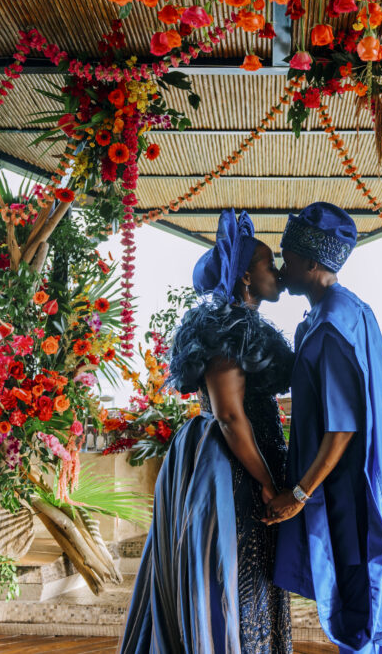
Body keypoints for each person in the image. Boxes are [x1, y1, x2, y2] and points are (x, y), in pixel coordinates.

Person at [264, 202, 382, 654]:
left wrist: (298, 495)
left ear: (311, 262)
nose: (282, 266)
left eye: (286, 255)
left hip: (352, 488)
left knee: (364, 600)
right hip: (366, 477)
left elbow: (341, 430)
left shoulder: (330, 328)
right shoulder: (344, 311)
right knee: (372, 601)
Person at [120, 209, 294, 654]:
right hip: (230, 471)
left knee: (252, 578)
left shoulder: (245, 326)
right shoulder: (224, 329)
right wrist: (270, 484)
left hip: (246, 466)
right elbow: (231, 417)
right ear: (244, 279)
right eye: (266, 264)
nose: (276, 271)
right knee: (231, 577)